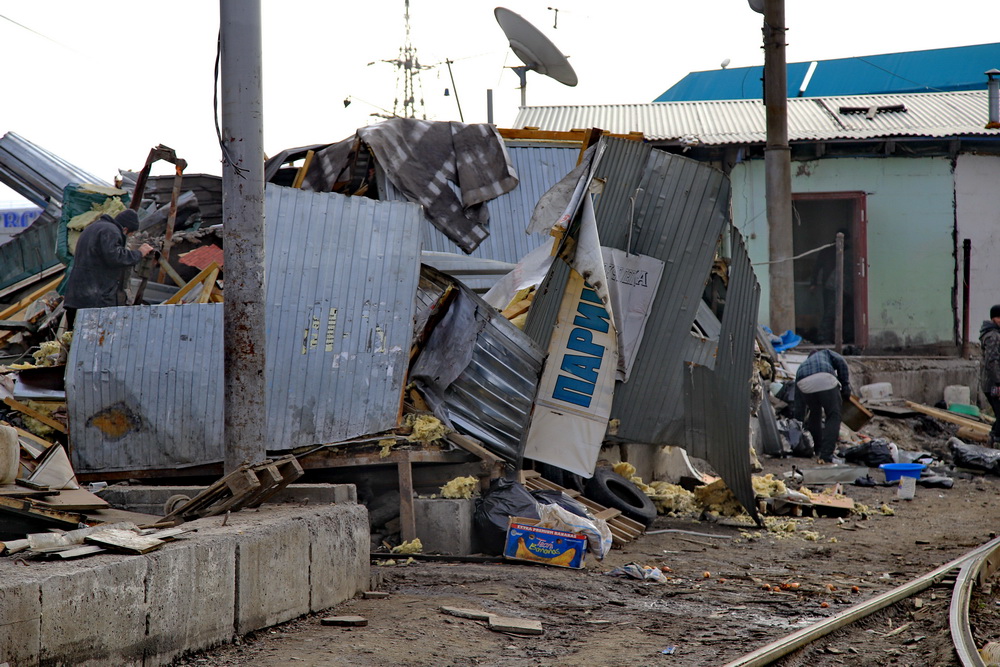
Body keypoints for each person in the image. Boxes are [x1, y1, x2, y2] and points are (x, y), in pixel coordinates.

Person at [62, 208, 154, 328]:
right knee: (93, 340)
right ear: (125, 229)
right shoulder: (110, 231)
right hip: (93, 300)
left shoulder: (93, 227)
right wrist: (139, 253)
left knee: (74, 339)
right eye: (130, 234)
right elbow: (115, 256)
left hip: (77, 297)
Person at [794, 348, 852, 463]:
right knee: (833, 415)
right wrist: (845, 385)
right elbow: (842, 361)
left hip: (804, 382)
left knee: (814, 413)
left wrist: (798, 421)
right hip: (825, 378)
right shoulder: (826, 352)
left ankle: (818, 449)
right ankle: (826, 454)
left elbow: (798, 401)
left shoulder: (803, 366)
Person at [979, 304, 1000, 446]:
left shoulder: (994, 334)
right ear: (995, 319)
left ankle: (993, 440)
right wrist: (999, 383)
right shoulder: (993, 336)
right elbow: (991, 362)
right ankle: (994, 441)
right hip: (994, 383)